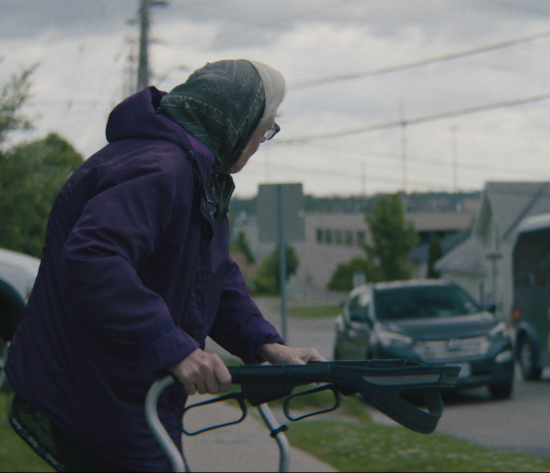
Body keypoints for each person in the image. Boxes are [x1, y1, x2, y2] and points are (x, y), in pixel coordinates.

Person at [5, 59, 326, 471]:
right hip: (97, 390)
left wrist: (266, 345)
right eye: (265, 127)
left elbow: (210, 276)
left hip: (127, 389)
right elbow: (94, 257)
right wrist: (175, 349)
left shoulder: (193, 173)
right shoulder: (160, 166)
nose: (263, 139)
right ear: (234, 120)